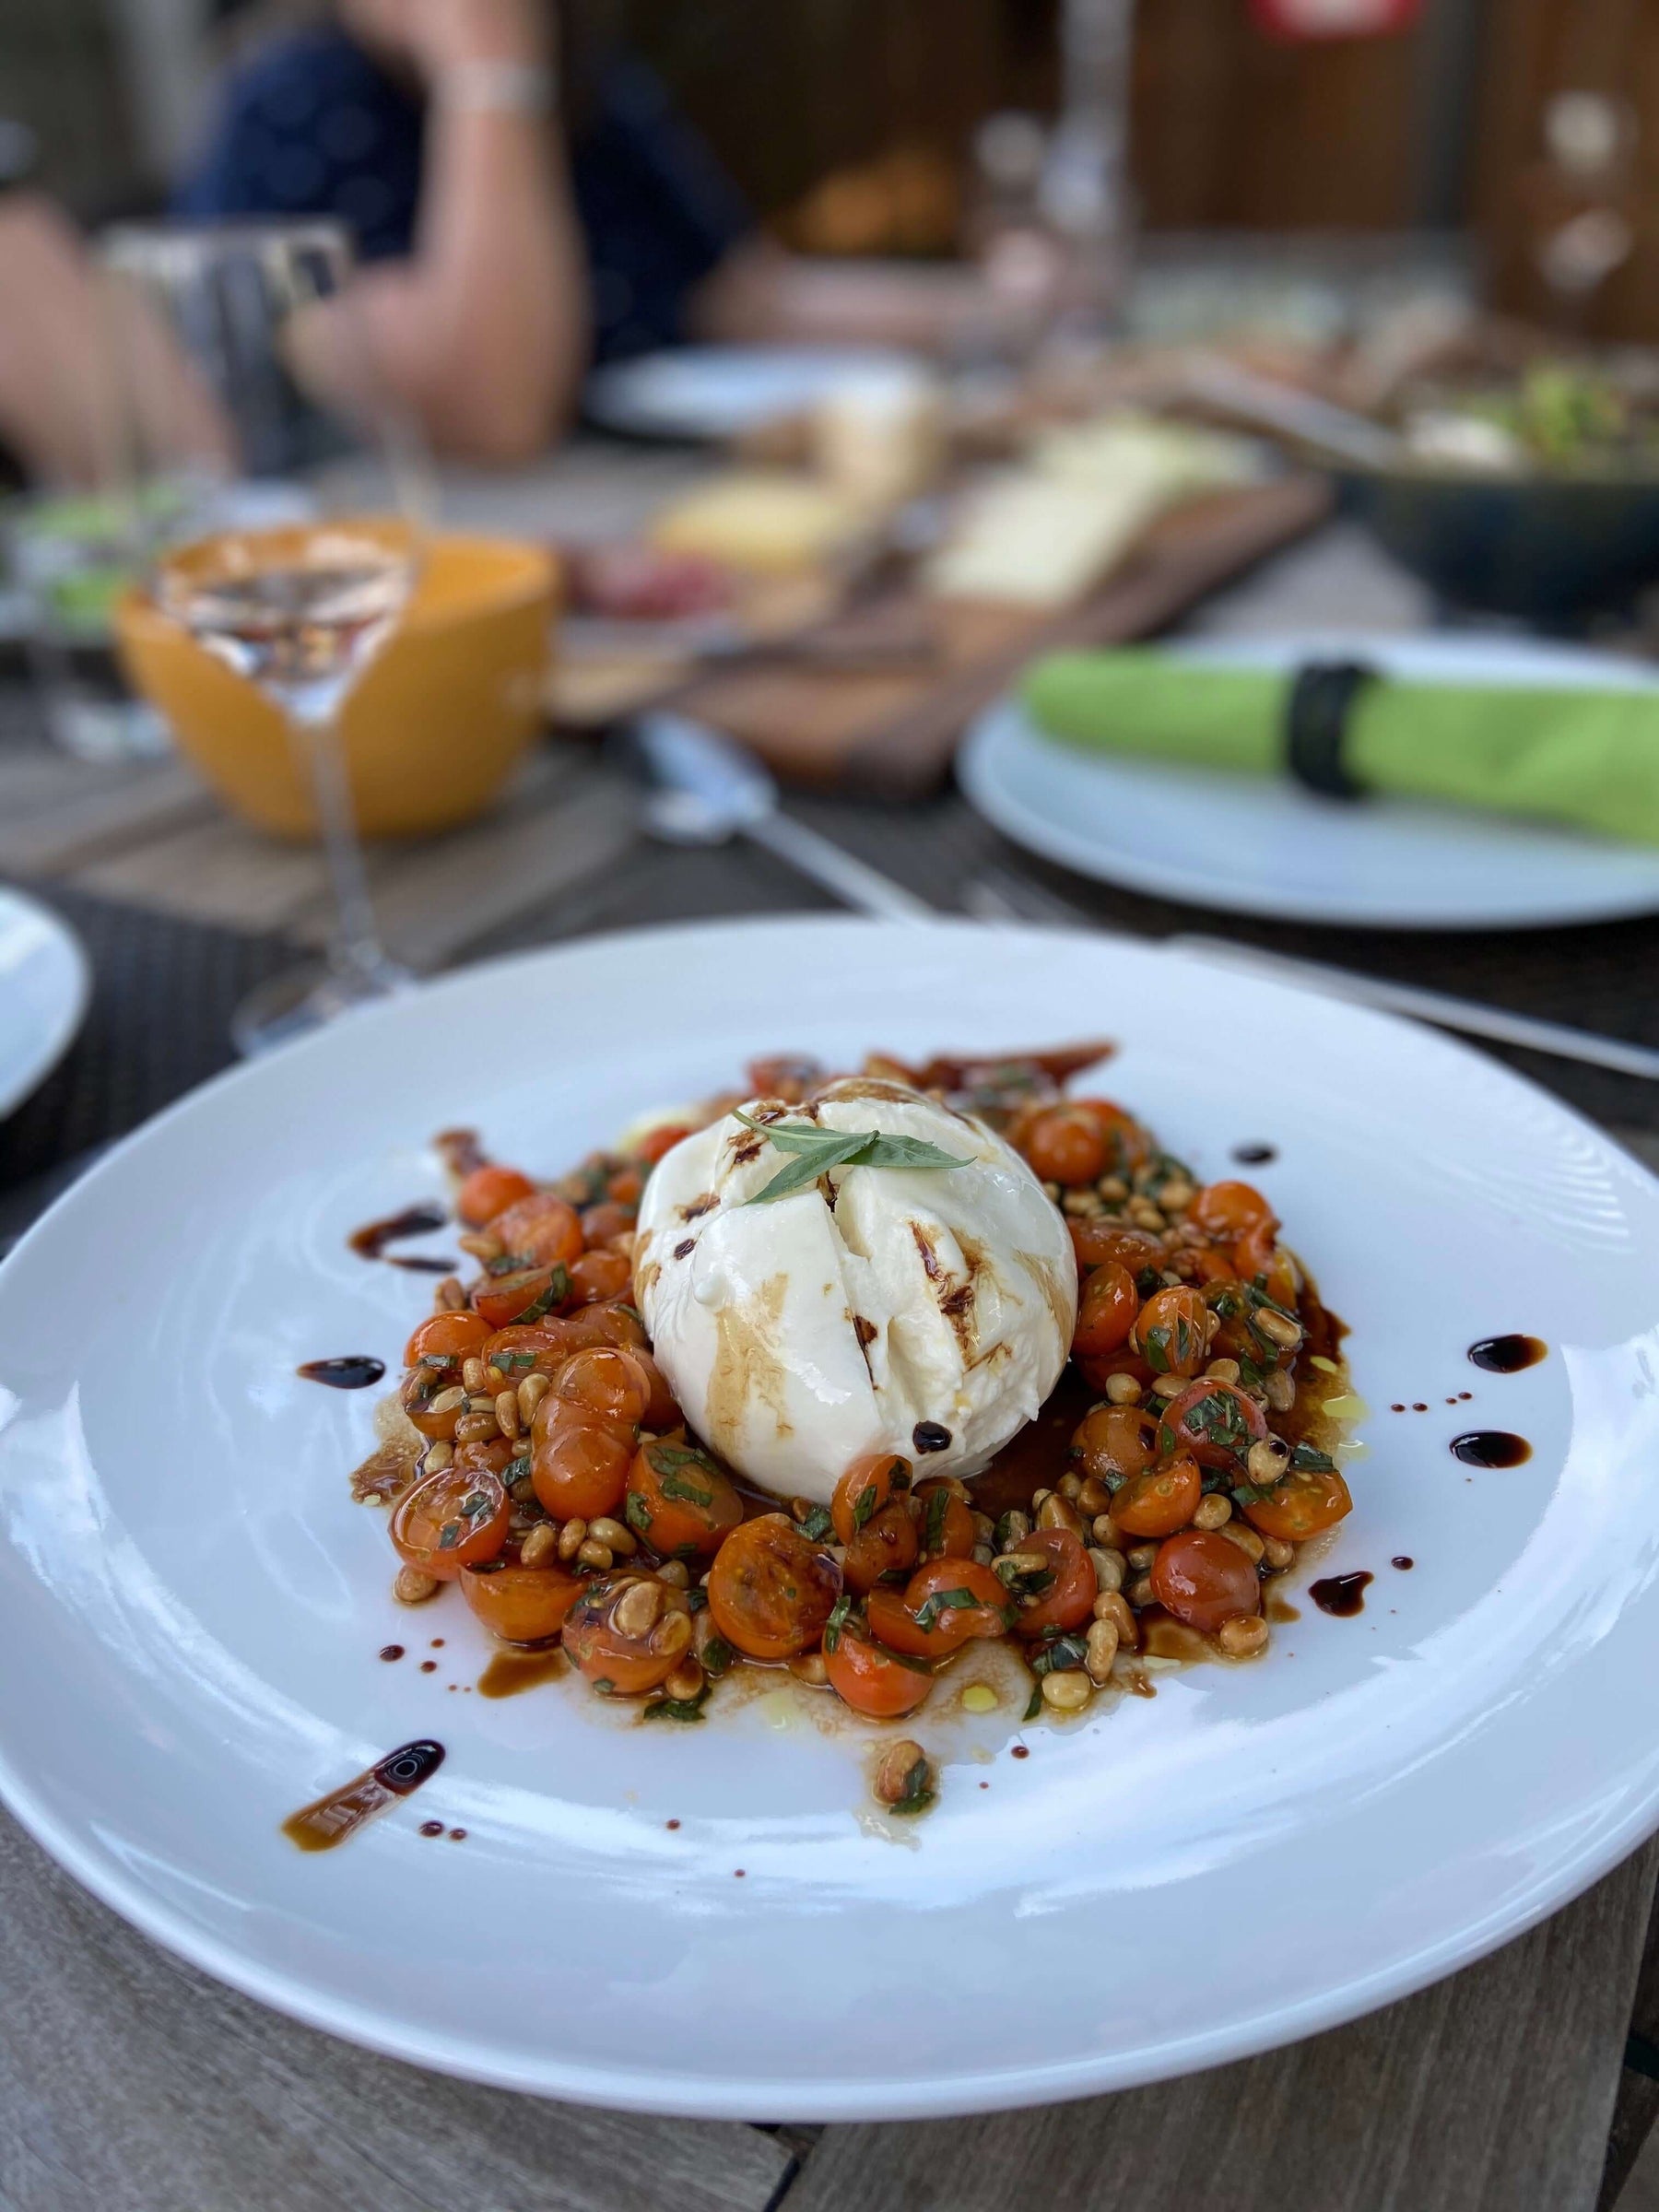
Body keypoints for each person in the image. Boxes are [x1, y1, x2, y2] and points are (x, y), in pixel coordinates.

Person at [176, 0, 1003, 465]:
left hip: (674, 524)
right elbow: (496, 417)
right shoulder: (297, 106)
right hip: (461, 592)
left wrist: (1001, 310)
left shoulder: (593, 92)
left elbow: (752, 300)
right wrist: (487, 73)